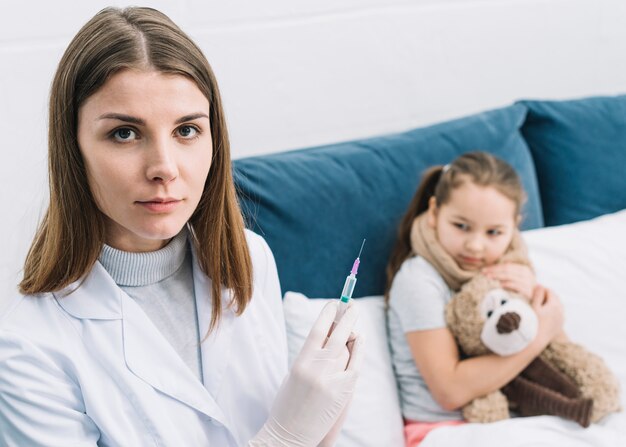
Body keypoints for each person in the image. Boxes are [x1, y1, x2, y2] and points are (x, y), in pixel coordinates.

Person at [0, 7, 363, 446]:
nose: (164, 168)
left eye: (187, 130)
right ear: (72, 148)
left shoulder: (250, 260)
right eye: (124, 134)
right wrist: (287, 436)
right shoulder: (28, 350)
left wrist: (325, 417)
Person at [384, 151, 566, 446]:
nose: (475, 245)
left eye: (494, 232)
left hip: (510, 418)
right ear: (434, 212)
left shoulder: (511, 268)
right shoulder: (418, 279)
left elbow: (558, 362)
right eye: (461, 226)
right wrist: (541, 332)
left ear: (514, 228)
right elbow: (449, 391)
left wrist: (534, 301)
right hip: (443, 429)